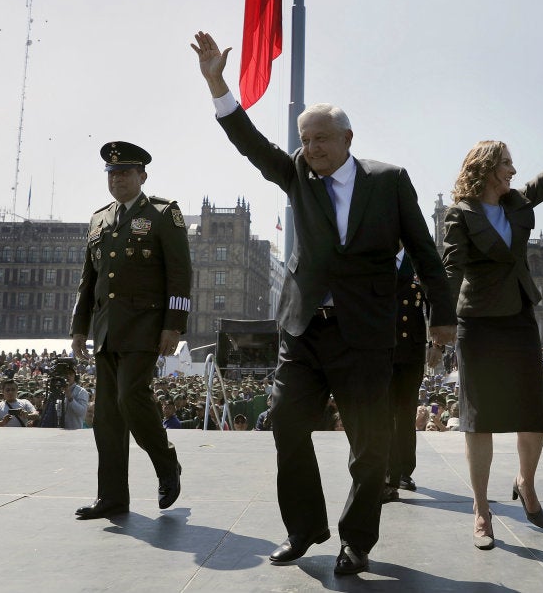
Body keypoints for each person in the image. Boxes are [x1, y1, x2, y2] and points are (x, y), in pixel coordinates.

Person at [191, 31, 457, 575]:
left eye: (319, 140)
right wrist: (219, 83)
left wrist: (444, 317)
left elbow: (426, 252)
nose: (310, 149)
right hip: (305, 326)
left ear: (347, 138)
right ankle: (304, 527)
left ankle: (356, 541)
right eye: (304, 140)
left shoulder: (388, 181)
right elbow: (250, 142)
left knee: (369, 445)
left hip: (364, 331)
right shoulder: (295, 174)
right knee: (286, 421)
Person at [441, 118, 543, 549]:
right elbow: (451, 269)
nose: (513, 169)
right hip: (477, 322)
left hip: (518, 316)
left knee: (534, 409)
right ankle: (481, 510)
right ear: (487, 168)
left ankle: (525, 483)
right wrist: (439, 320)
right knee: (479, 419)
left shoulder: (516, 203)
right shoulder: (460, 213)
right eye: (506, 163)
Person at [70, 140, 192, 520]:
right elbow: (88, 281)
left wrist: (174, 326)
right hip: (106, 330)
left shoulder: (161, 214)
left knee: (129, 397)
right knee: (106, 415)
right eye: (112, 173)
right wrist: (79, 329)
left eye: (125, 172)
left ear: (142, 175)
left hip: (145, 326)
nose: (118, 178)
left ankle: (165, 462)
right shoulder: (99, 219)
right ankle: (111, 496)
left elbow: (180, 275)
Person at [383, 248, 432, 504]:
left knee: (404, 413)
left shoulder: (418, 261)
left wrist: (437, 343)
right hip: (381, 348)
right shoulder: (376, 255)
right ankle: (385, 471)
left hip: (411, 351)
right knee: (382, 413)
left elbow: (435, 300)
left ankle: (403, 471)